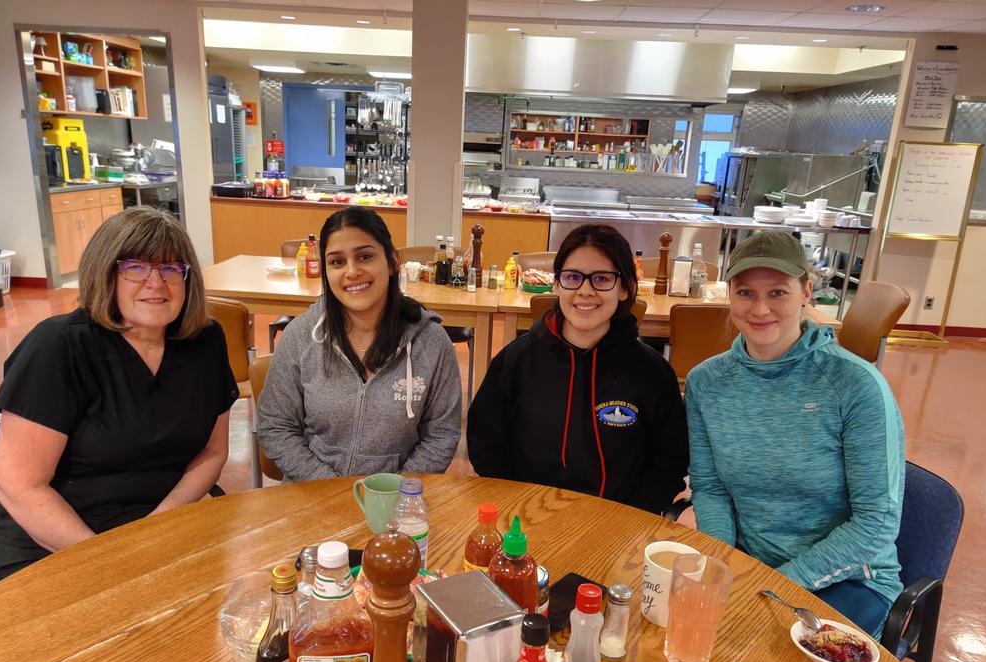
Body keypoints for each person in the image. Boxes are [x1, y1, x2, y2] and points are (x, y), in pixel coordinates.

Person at [0, 207, 238, 582]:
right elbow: (19, 486)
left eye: (171, 269)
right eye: (135, 267)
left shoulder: (205, 340)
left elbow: (213, 452)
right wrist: (112, 560)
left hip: (166, 523)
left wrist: (158, 527)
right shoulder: (58, 346)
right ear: (105, 274)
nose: (156, 283)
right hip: (61, 540)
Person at [685, 231, 904, 637]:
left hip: (846, 579)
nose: (760, 308)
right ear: (729, 295)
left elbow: (876, 521)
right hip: (749, 566)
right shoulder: (706, 382)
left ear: (806, 291)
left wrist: (775, 586)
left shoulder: (855, 385)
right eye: (746, 292)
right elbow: (711, 487)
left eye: (778, 292)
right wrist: (722, 564)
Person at [467, 224, 688, 514]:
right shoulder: (516, 360)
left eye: (601, 279)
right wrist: (516, 505)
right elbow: (485, 444)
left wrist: (629, 518)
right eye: (572, 277)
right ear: (557, 284)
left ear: (624, 288)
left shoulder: (652, 373)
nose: (585, 291)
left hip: (618, 524)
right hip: (524, 521)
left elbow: (668, 462)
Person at [257, 206, 462, 480]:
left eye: (365, 256)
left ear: (393, 261)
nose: (352, 272)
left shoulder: (432, 342)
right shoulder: (301, 335)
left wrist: (392, 493)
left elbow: (441, 435)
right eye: (337, 262)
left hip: (397, 497)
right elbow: (275, 426)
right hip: (313, 493)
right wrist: (329, 490)